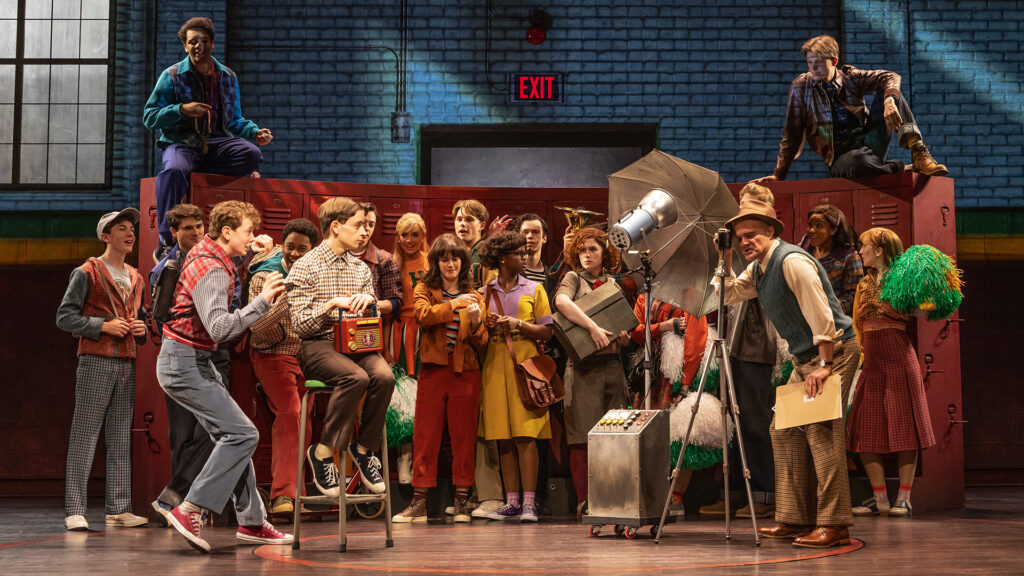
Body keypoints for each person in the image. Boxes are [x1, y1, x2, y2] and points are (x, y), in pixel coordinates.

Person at [714, 197, 860, 549]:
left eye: (751, 235)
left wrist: (824, 366)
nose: (745, 241)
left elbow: (823, 313)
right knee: (782, 430)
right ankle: (795, 516)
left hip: (833, 352)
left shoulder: (792, 260)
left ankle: (834, 524)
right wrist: (724, 257)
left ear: (770, 231)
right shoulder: (760, 268)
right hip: (805, 358)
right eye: (739, 237)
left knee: (822, 434)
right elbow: (728, 293)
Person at [157, 200, 292, 552]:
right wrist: (262, 301)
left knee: (232, 436)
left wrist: (250, 254)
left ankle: (251, 521)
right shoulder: (212, 268)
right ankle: (191, 508)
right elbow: (218, 327)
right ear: (228, 231)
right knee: (244, 434)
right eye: (248, 231)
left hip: (192, 360)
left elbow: (215, 283)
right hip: (185, 363)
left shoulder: (208, 253)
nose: (254, 236)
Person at [286, 197, 395, 500]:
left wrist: (370, 305)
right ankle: (322, 453)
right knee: (356, 378)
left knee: (384, 376)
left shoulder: (360, 269)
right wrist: (331, 305)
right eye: (358, 225)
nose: (365, 232)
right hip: (318, 345)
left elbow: (370, 320)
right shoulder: (306, 266)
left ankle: (364, 449)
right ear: (336, 227)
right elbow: (300, 325)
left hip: (355, 344)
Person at [143, 17, 273, 250]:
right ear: (185, 46)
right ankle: (166, 239)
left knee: (251, 155)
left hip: (217, 143)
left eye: (203, 41)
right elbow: (150, 116)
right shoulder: (172, 76)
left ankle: (195, 178)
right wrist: (182, 109)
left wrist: (255, 132)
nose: (198, 46)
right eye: (192, 42)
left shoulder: (227, 77)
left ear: (212, 44)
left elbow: (234, 119)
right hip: (182, 143)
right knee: (173, 170)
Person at [56, 208, 149, 531]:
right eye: (121, 228)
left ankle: (119, 507)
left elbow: (143, 319)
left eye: (131, 228)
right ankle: (75, 509)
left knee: (121, 435)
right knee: (85, 434)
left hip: (127, 361)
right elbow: (65, 317)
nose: (129, 233)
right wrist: (102, 325)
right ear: (105, 236)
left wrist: (142, 329)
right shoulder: (87, 272)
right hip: (96, 359)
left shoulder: (136, 277)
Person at [757, 34, 946, 184]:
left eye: (819, 63)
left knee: (891, 93)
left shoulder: (850, 77)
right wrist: (778, 175)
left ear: (834, 61)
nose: (813, 68)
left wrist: (889, 100)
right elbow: (791, 134)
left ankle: (919, 151)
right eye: (810, 63)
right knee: (857, 164)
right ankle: (902, 168)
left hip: (869, 143)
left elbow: (890, 76)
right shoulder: (801, 87)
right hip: (840, 157)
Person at [392, 234, 489, 523]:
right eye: (444, 258)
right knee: (425, 436)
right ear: (435, 261)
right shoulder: (425, 288)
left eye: (455, 258)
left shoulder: (475, 294)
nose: (450, 263)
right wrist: (454, 304)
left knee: (464, 438)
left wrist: (473, 323)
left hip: (466, 371)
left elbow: (482, 340)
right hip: (433, 370)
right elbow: (422, 315)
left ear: (463, 262)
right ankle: (419, 502)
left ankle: (461, 501)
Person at [700, 183, 779, 521]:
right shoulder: (750, 258)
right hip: (736, 344)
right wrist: (726, 259)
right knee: (735, 422)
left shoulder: (771, 256)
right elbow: (728, 293)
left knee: (755, 423)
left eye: (751, 213)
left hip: (756, 346)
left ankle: (765, 494)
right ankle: (739, 493)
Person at [847, 228, 936, 518]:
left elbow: (928, 311)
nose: (860, 250)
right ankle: (879, 497)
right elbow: (856, 326)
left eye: (864, 245)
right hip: (872, 361)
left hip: (898, 358)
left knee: (904, 428)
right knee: (863, 430)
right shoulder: (863, 285)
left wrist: (926, 292)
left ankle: (905, 498)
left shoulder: (904, 279)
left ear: (880, 249)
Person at [554, 227, 632, 514]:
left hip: (612, 366)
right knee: (582, 437)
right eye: (582, 250)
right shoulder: (573, 278)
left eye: (593, 249)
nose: (586, 254)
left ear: (604, 253)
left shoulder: (611, 282)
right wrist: (592, 326)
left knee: (615, 437)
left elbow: (622, 324)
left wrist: (622, 337)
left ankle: (613, 497)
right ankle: (584, 501)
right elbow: (561, 303)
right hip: (584, 368)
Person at [478, 231, 555, 522]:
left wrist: (518, 324)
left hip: (525, 364)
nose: (524, 257)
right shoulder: (485, 292)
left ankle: (529, 503)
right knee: (503, 437)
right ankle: (511, 501)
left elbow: (548, 331)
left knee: (526, 435)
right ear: (501, 258)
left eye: (524, 252)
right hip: (495, 365)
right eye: (517, 253)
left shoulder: (535, 289)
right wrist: (483, 326)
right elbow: (477, 336)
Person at [148, 203, 217, 523]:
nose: (196, 232)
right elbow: (161, 315)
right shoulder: (167, 267)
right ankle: (183, 509)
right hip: (184, 355)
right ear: (174, 232)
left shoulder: (216, 259)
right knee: (183, 435)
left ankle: (181, 498)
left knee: (213, 431)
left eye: (199, 225)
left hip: (217, 355)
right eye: (187, 227)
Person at [247, 218, 318, 516]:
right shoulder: (265, 278)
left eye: (303, 249)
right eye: (290, 247)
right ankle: (282, 496)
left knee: (304, 423)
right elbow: (257, 329)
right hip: (272, 354)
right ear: (282, 245)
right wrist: (288, 295)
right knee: (290, 413)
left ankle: (296, 496)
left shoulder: (317, 274)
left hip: (306, 357)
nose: (295, 254)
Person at [452, 199, 505, 518]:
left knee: (485, 421)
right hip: (458, 346)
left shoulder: (485, 256)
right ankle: (468, 494)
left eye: (469, 219)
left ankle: (492, 495)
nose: (462, 223)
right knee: (465, 423)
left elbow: (491, 297)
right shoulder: (450, 254)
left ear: (482, 225)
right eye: (458, 218)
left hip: (483, 344)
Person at [801, 204, 863, 316]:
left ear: (834, 229)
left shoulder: (849, 257)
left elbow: (854, 298)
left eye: (819, 226)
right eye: (810, 225)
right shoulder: (804, 248)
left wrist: (822, 308)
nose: (811, 230)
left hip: (835, 323)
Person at [390, 213, 429, 376]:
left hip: (427, 326)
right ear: (398, 238)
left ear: (423, 236)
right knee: (403, 382)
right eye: (404, 235)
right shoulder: (392, 264)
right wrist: (385, 348)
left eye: (415, 235)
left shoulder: (432, 261)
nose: (409, 240)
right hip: (402, 329)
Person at [352, 203, 402, 318]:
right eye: (362, 223)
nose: (366, 228)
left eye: (371, 224)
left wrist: (369, 303)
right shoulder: (338, 254)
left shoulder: (384, 259)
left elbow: (396, 302)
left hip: (370, 328)